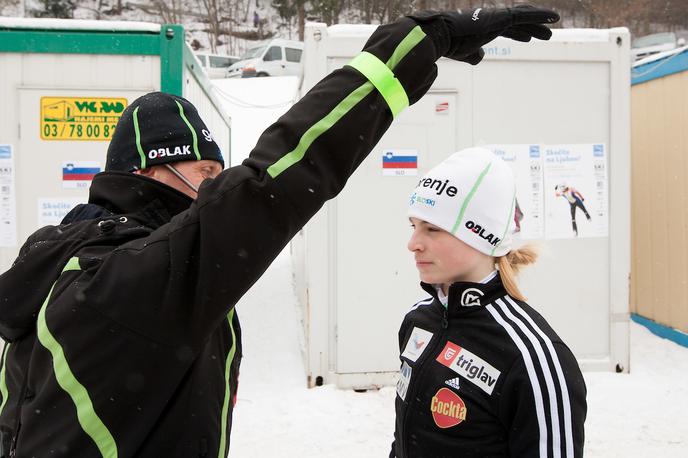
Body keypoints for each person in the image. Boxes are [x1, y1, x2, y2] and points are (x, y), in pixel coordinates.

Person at [0, 6, 559, 457]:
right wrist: (411, 50)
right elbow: (275, 180)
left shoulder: (63, 261)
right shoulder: (124, 280)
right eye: (204, 175)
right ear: (148, 172)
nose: (211, 192)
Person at [393, 148, 586, 457]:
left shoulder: (533, 356)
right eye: (413, 226)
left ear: (481, 236)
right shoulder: (418, 321)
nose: (413, 243)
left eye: (432, 229)